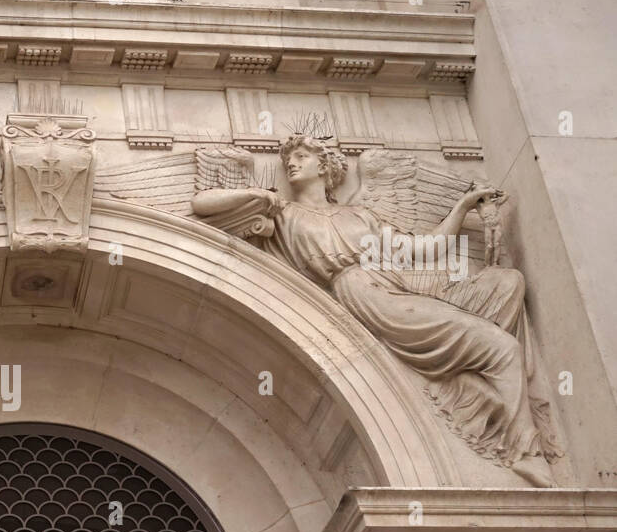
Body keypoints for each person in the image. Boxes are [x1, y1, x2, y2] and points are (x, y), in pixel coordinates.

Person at [192, 134, 558, 486]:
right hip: (365, 295)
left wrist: (463, 207)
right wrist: (259, 195)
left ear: (325, 166)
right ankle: (522, 450)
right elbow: (202, 205)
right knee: (503, 348)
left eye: (302, 156)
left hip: (399, 286)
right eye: (289, 157)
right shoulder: (283, 214)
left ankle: (487, 401)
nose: (291, 161)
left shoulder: (359, 216)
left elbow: (423, 250)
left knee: (508, 282)